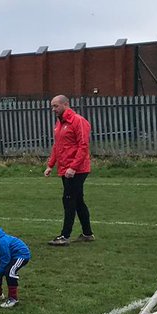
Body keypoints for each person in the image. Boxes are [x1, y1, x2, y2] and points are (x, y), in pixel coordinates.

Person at [44, 95, 94, 246]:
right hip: (65, 168)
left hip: (77, 170)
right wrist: (50, 165)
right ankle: (87, 233)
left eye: (56, 106)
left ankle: (64, 236)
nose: (53, 109)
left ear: (66, 104)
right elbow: (57, 146)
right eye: (52, 106)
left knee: (69, 200)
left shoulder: (78, 121)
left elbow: (83, 146)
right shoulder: (60, 124)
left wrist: (73, 167)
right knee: (78, 201)